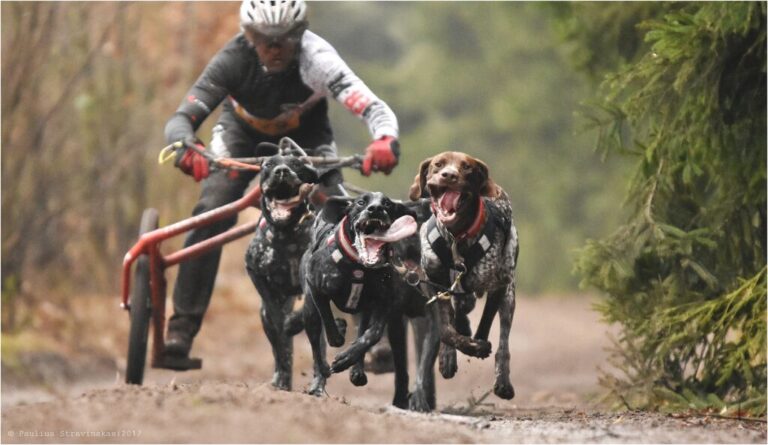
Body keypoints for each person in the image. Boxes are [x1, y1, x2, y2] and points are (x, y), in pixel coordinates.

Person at [164, 0, 400, 360]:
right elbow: (182, 119)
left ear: (299, 36)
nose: (273, 49)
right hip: (241, 137)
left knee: (344, 216)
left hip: (308, 140)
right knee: (212, 210)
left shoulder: (318, 58)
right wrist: (186, 148)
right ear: (248, 36)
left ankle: (372, 330)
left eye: (284, 40)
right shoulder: (232, 59)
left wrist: (384, 139)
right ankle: (181, 328)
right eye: (263, 39)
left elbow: (371, 107)